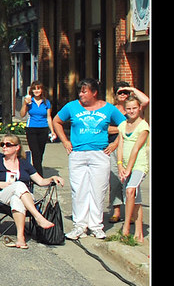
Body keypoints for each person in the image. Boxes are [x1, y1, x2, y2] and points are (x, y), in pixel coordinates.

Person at [52, 78, 124, 240]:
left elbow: (125, 126)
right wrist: (65, 141)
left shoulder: (108, 108)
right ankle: (80, 225)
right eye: (80, 91)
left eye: (84, 91)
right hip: (77, 154)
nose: (81, 94)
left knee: (98, 190)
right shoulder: (72, 106)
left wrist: (115, 144)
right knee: (79, 190)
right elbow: (57, 121)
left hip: (100, 154)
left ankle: (96, 225)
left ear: (94, 92)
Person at [0, 136, 64, 249]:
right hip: (1, 196)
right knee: (19, 184)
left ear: (17, 147)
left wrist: (52, 178)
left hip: (22, 197)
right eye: (2, 144)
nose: (4, 147)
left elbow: (40, 181)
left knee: (17, 199)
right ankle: (38, 217)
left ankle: (20, 238)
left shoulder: (25, 164)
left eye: (8, 144)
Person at [108, 82, 150, 224]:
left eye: (125, 92)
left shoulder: (134, 109)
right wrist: (119, 132)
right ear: (115, 95)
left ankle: (130, 215)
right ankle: (116, 210)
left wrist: (132, 89)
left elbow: (146, 100)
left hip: (130, 151)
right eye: (120, 92)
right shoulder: (112, 109)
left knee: (131, 185)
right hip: (114, 148)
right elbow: (104, 128)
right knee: (115, 181)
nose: (123, 95)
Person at [114, 95, 149, 243]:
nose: (132, 111)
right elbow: (120, 146)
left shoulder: (143, 126)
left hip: (138, 165)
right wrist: (120, 165)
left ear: (139, 108)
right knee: (135, 198)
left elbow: (136, 149)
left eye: (134, 108)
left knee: (130, 191)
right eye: (129, 109)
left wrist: (129, 169)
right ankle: (139, 232)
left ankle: (126, 227)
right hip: (126, 165)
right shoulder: (122, 125)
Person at [21, 81, 53, 173]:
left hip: (43, 128)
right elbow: (22, 114)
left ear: (42, 90)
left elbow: (49, 117)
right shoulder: (30, 101)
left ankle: (35, 171)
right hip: (31, 128)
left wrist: (52, 131)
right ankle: (38, 174)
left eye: (38, 88)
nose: (36, 91)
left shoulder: (46, 102)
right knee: (35, 152)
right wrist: (25, 104)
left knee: (40, 152)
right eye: (34, 89)